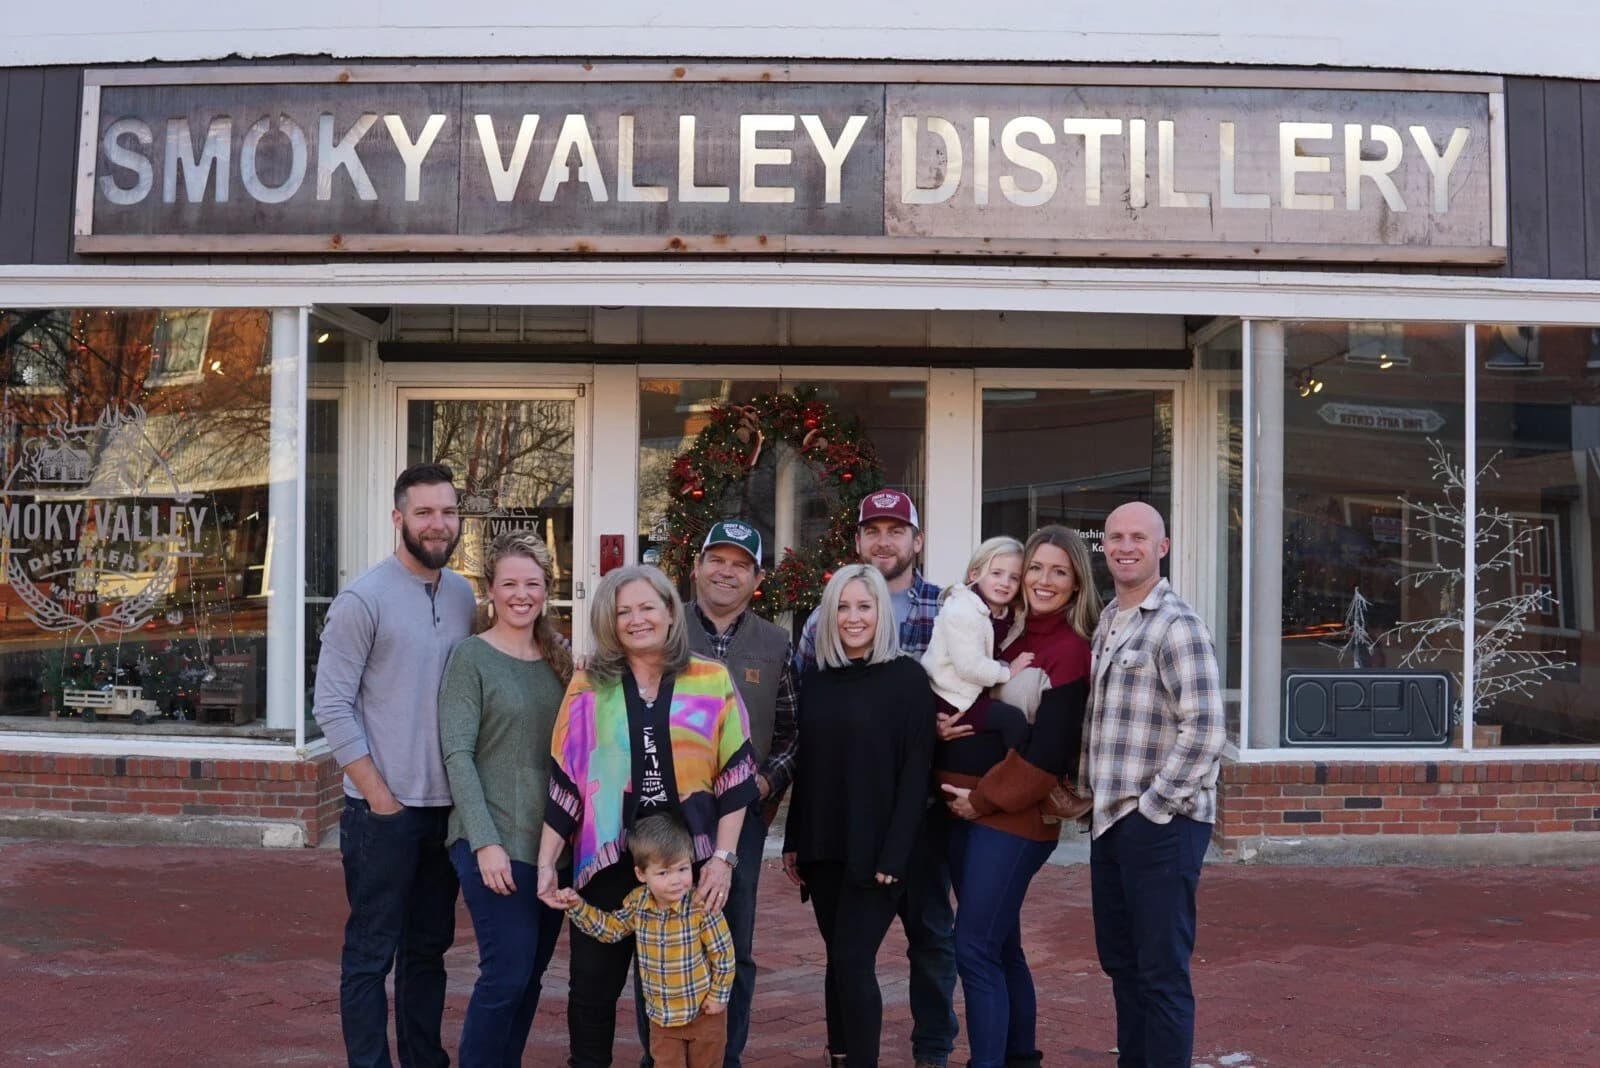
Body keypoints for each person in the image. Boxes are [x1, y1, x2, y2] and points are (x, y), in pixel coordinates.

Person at [536, 564, 759, 1068]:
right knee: (591, 992)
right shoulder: (588, 686)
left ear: (669, 612)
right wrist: (549, 862)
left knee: (693, 993)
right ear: (610, 623)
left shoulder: (710, 678)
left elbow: (737, 777)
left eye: (646, 607)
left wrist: (722, 860)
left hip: (689, 863)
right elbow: (565, 780)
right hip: (611, 861)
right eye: (623, 612)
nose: (636, 619)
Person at [313, 462, 476, 1068]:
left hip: (447, 811)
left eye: (448, 512)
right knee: (370, 955)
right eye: (425, 512)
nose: (438, 524)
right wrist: (377, 794)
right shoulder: (363, 599)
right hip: (384, 814)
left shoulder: (462, 594)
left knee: (429, 952)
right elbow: (330, 704)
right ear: (399, 518)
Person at [793, 489, 957, 1068]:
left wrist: (895, 850)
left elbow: (918, 767)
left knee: (890, 951)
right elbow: (809, 763)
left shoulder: (916, 667)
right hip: (829, 845)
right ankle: (841, 1055)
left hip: (895, 840)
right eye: (844, 608)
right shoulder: (816, 673)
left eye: (864, 608)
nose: (854, 617)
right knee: (841, 958)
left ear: (916, 539)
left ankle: (927, 1052)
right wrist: (795, 843)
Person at [938, 526, 1101, 1068]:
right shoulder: (1004, 633)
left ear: (1076, 583)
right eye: (1035, 568)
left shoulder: (1070, 652)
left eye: (1059, 571)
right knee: (1001, 946)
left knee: (974, 948)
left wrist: (979, 802)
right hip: (967, 816)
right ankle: (1019, 1057)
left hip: (1011, 821)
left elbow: (1047, 757)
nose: (1042, 580)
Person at [1083, 502, 1225, 1068]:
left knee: (1162, 972)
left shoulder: (1177, 625)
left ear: (1161, 548)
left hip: (1160, 825)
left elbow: (1207, 729)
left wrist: (1154, 807)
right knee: (1123, 966)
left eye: (1138, 537)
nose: (1125, 546)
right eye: (1115, 537)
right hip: (1109, 821)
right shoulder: (1107, 621)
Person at [438, 530, 575, 1068]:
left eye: (533, 584)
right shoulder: (470, 657)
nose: (522, 594)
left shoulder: (560, 660)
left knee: (531, 977)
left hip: (550, 848)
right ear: (490, 591)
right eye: (510, 583)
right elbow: (457, 754)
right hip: (493, 840)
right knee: (507, 973)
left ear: (547, 590)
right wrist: (483, 843)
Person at [683, 520, 798, 1068]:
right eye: (717, 560)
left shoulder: (777, 643)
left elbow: (794, 733)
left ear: (757, 579)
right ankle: (666, 1055)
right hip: (664, 812)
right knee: (662, 935)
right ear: (697, 567)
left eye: (740, 564)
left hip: (741, 819)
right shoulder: (663, 626)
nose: (726, 572)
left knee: (732, 944)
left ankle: (724, 1056)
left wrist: (765, 782)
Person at [555, 814, 736, 1068]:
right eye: (663, 872)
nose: (675, 880)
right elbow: (611, 929)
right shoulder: (638, 904)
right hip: (662, 1021)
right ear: (641, 874)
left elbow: (724, 955)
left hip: (704, 1016)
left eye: (682, 869)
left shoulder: (700, 906)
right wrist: (577, 907)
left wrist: (719, 996)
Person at [921, 535, 1033, 752]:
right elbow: (970, 667)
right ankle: (1018, 778)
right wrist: (1008, 671)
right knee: (1013, 721)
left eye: (1014, 577)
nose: (1005, 583)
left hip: (970, 693)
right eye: (996, 573)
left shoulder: (1004, 613)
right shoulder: (963, 611)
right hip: (951, 698)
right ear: (975, 574)